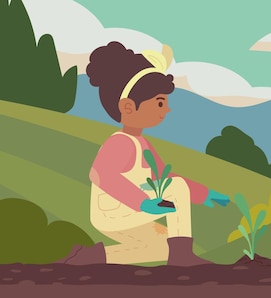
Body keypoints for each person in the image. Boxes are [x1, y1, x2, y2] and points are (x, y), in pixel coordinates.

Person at [56, 41, 230, 266]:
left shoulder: (141, 143)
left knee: (159, 246)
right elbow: (101, 175)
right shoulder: (120, 143)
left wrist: (202, 193)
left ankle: (93, 257)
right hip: (115, 211)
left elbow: (163, 178)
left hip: (128, 208)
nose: (166, 109)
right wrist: (141, 203)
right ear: (128, 107)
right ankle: (182, 256)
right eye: (159, 103)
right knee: (176, 190)